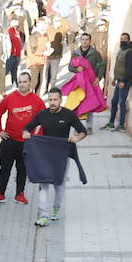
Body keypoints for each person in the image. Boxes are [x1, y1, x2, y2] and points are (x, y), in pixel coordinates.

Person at [24, 87, 86, 227]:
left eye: (55, 100)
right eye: (50, 99)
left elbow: (83, 131)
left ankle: (56, 208)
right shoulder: (42, 115)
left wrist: (77, 137)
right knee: (43, 183)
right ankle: (44, 214)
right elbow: (28, 127)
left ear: (60, 100)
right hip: (45, 154)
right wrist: (26, 132)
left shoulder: (69, 115)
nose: (52, 102)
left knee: (59, 186)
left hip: (62, 156)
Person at [0, 71, 44, 205]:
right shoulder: (10, 97)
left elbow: (44, 120)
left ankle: (20, 194)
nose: (22, 84)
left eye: (25, 82)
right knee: (5, 168)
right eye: (20, 82)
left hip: (27, 142)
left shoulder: (37, 100)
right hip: (9, 141)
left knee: (22, 169)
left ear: (30, 83)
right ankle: (0, 194)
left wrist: (37, 137)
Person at [69, 31, 105, 132]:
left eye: (87, 40)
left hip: (91, 82)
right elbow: (70, 67)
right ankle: (78, 127)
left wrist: (98, 78)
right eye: (83, 40)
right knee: (78, 104)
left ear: (90, 41)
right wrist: (76, 70)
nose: (85, 42)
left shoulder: (95, 53)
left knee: (90, 103)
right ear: (80, 41)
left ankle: (89, 127)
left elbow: (101, 65)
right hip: (79, 83)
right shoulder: (75, 53)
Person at [104, 32, 132, 131]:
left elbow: (129, 69)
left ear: (128, 40)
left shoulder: (129, 52)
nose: (122, 40)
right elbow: (118, 66)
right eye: (121, 38)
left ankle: (121, 125)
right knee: (114, 101)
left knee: (121, 102)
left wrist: (123, 81)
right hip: (119, 80)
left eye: (125, 39)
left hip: (124, 81)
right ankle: (111, 123)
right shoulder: (121, 50)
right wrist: (115, 79)